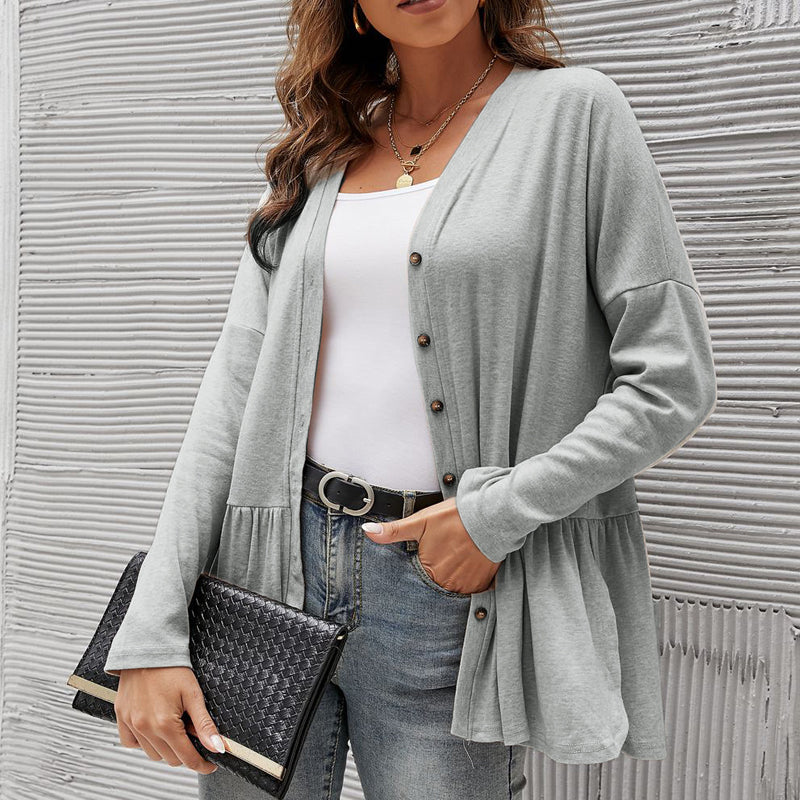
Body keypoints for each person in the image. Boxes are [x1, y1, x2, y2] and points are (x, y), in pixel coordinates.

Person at [104, 0, 718, 797]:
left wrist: (494, 516)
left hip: (443, 590)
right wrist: (153, 625)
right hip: (269, 571)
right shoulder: (323, 149)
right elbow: (231, 395)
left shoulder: (575, 114)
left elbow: (671, 381)